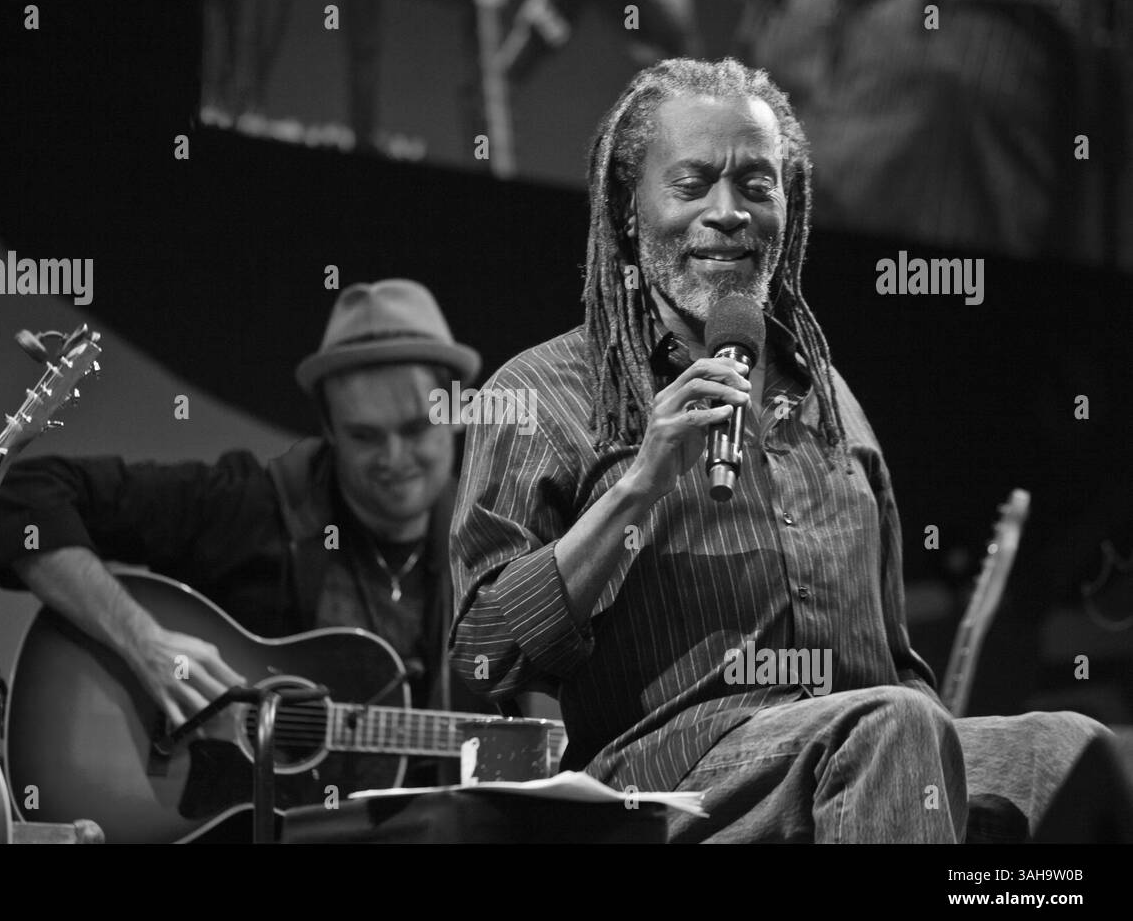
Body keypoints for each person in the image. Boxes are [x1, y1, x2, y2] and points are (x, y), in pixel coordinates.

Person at [448, 57, 1111, 842]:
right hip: (667, 790)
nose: (728, 212)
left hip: (867, 745)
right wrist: (638, 485)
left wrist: (942, 764)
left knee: (1070, 751)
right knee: (888, 730)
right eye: (693, 185)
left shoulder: (831, 403)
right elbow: (483, 655)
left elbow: (894, 666)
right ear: (630, 210)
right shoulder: (544, 393)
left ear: (787, 209)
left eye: (756, 185)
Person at [0, 278, 490, 768]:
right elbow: (26, 495)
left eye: (416, 428)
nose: (394, 457)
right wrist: (143, 641)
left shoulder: (486, 555)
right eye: (365, 436)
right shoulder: (248, 506)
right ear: (329, 429)